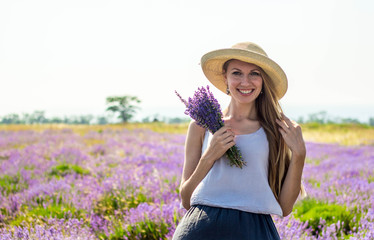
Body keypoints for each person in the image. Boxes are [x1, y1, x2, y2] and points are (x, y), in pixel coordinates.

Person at [172, 42, 307, 240]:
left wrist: (299, 155)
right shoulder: (200, 126)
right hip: (200, 230)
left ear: (263, 81)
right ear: (225, 78)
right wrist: (209, 157)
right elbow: (186, 199)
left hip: (255, 231)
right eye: (237, 73)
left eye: (254, 73)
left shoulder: (276, 131)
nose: (245, 81)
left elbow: (285, 208)